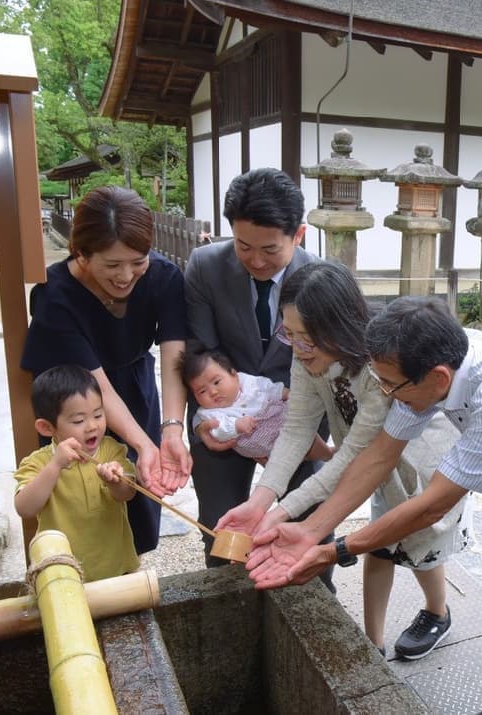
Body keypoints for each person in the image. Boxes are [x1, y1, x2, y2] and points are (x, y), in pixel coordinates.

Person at [248, 297, 482, 715]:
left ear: (437, 377)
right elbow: (379, 456)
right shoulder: (429, 361)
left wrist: (334, 549)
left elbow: (431, 506)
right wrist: (308, 530)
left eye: (391, 386)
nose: (386, 393)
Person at [217, 263, 470, 660]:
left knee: (421, 541)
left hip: (416, 460)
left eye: (309, 339)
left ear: (340, 327)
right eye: (290, 335)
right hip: (369, 465)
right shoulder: (305, 356)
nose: (298, 349)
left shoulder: (379, 367)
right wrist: (261, 502)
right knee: (379, 543)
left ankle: (437, 611)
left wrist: (284, 511)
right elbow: (297, 427)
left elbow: (353, 454)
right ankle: (373, 644)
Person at [22, 186, 191, 555]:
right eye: (112, 265)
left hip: (135, 388)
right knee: (81, 501)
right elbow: (99, 388)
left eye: (137, 261)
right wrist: (145, 444)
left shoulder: (164, 277)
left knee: (138, 501)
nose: (126, 275)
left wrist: (171, 430)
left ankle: (129, 574)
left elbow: (175, 356)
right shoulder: (56, 295)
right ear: (80, 253)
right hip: (77, 405)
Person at [184, 167, 326, 568]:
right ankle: (228, 601)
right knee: (220, 526)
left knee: (305, 527)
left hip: (296, 413)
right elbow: (200, 353)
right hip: (221, 411)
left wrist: (277, 431)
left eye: (270, 250)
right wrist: (209, 421)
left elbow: (324, 367)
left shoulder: (321, 278)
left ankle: (312, 600)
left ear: (298, 234)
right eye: (244, 246)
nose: (256, 260)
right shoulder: (204, 266)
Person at [13, 365, 138, 582]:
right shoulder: (39, 463)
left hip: (117, 569)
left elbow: (128, 493)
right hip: (64, 574)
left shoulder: (111, 450)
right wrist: (54, 466)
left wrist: (115, 482)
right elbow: (24, 508)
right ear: (46, 428)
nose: (92, 426)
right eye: (78, 421)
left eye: (98, 415)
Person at [177, 343, 333, 462]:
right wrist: (236, 426)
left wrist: (285, 393)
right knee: (279, 459)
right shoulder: (209, 413)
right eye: (202, 391)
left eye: (217, 382)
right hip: (256, 441)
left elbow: (267, 387)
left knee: (302, 428)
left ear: (233, 375)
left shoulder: (246, 381)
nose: (213, 392)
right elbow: (219, 431)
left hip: (277, 417)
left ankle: (327, 454)